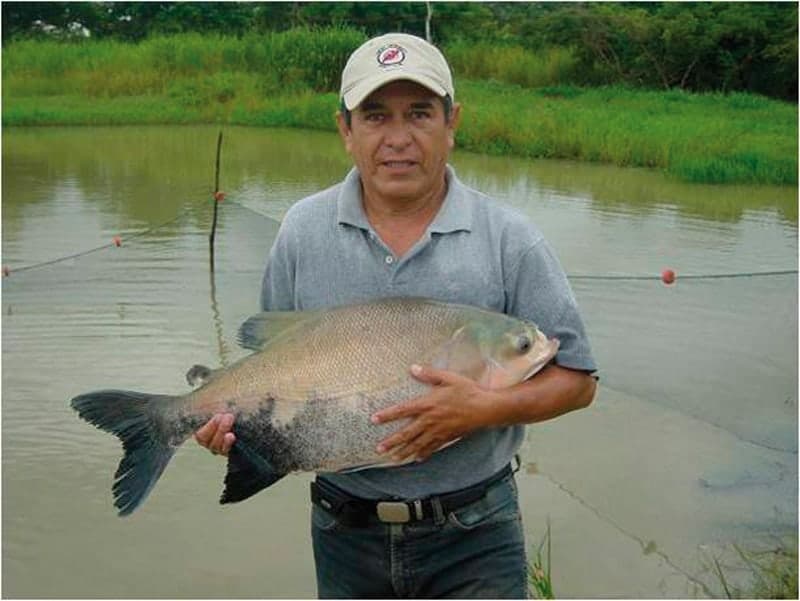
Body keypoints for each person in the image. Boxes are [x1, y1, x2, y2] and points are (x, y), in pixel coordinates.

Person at [195, 32, 597, 599]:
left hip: (475, 532)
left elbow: (578, 381)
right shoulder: (301, 232)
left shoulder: (511, 240)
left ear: (452, 122)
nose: (398, 139)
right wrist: (232, 428)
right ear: (345, 129)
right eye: (376, 115)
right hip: (343, 531)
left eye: (420, 114)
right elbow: (273, 367)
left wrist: (483, 409)